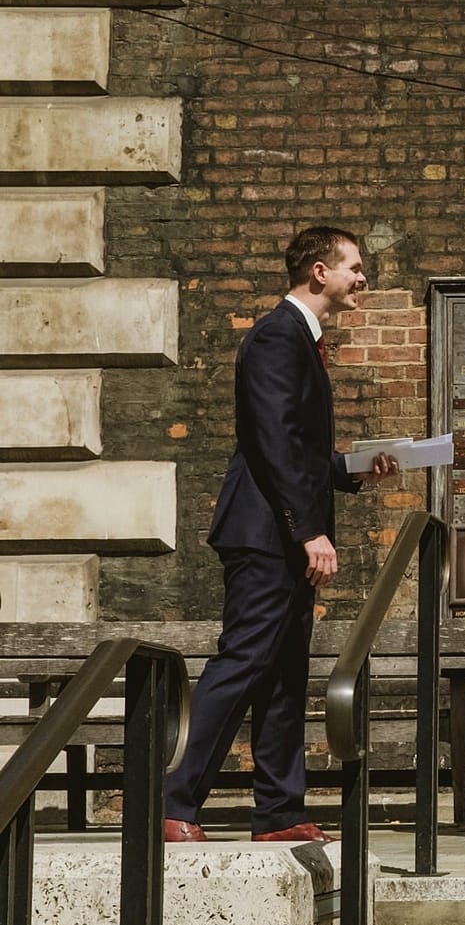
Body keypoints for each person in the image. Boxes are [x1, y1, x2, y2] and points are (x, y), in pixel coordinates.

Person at [164, 226, 395, 844]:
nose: (362, 277)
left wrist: (352, 467)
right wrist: (310, 530)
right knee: (242, 662)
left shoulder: (302, 339)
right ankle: (174, 803)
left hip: (282, 529)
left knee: (286, 670)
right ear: (319, 272)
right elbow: (271, 443)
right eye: (354, 267)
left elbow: (298, 447)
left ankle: (279, 812)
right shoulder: (277, 335)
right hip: (266, 532)